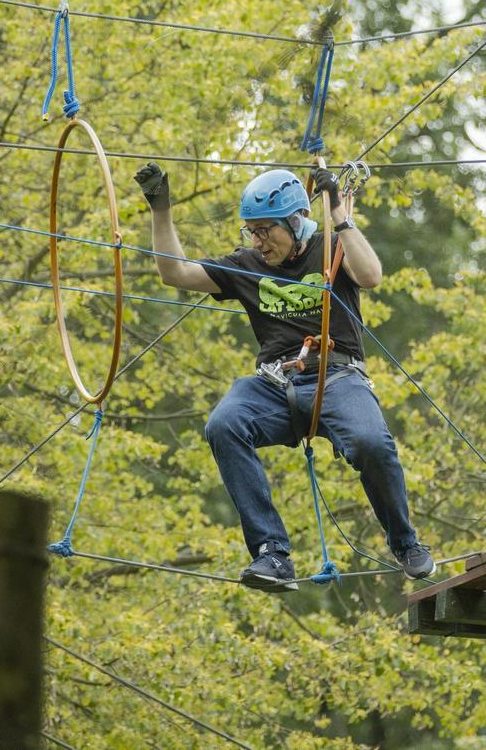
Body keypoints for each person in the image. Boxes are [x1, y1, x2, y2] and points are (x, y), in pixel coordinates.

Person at [134, 162, 435, 592]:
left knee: (370, 442)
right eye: (250, 231)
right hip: (275, 385)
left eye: (264, 230)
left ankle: (404, 543)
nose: (257, 241)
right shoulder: (247, 264)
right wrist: (160, 208)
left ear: (295, 222)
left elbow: (370, 276)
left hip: (338, 378)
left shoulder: (330, 246)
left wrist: (339, 215)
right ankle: (271, 554)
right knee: (224, 423)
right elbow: (175, 273)